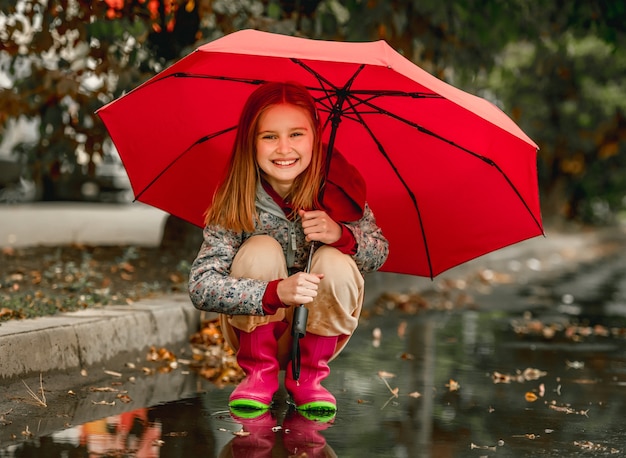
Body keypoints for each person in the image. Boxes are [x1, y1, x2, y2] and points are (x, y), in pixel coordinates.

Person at [188, 81, 388, 413]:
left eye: (296, 134)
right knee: (261, 248)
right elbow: (201, 285)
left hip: (318, 331)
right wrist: (275, 292)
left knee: (334, 260)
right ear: (250, 142)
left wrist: (340, 233)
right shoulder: (238, 199)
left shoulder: (337, 191)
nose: (284, 148)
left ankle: (308, 378)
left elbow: (379, 252)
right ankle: (258, 375)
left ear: (315, 136)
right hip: (252, 328)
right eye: (269, 137)